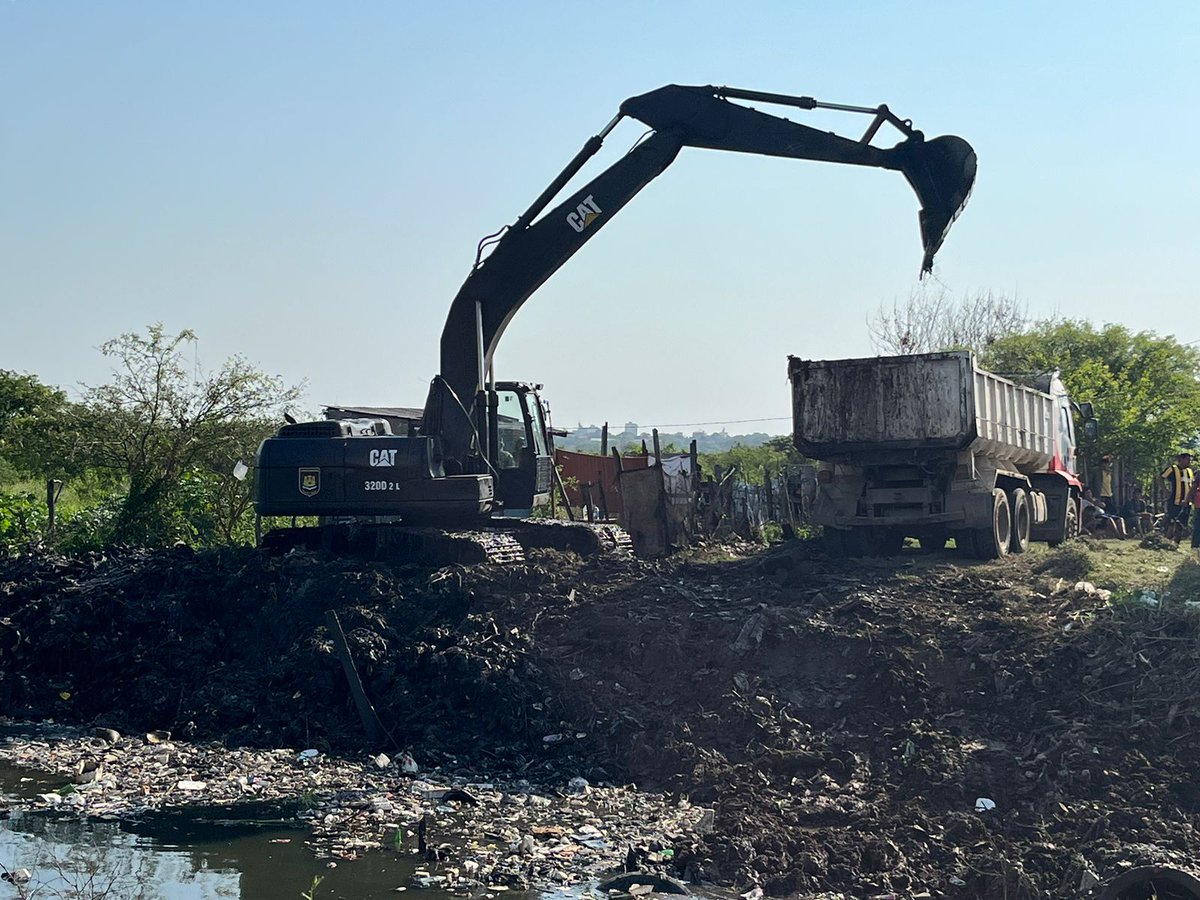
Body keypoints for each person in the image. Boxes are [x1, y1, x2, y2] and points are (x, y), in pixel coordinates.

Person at [1159, 452, 1194, 543]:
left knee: (1181, 524)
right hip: (1174, 500)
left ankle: (1176, 543)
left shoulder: (1190, 471)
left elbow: (1191, 485)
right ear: (1181, 460)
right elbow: (1160, 478)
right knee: (1172, 521)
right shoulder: (1172, 469)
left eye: (1190, 460)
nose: (1189, 462)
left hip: (1187, 502)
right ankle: (1166, 541)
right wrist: (1165, 490)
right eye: (1187, 459)